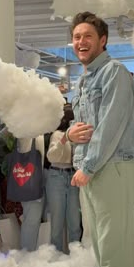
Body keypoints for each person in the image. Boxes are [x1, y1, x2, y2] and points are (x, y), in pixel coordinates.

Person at [67, 12, 134, 267]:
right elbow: (82, 129)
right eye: (76, 37)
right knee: (101, 249)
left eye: (87, 36)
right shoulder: (83, 81)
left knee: (113, 251)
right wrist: (70, 136)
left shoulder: (115, 72)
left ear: (103, 40)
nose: (80, 42)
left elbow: (110, 126)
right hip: (92, 170)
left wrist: (88, 166)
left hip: (111, 168)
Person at [46, 104, 82, 252]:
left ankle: (75, 257)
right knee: (57, 221)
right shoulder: (57, 135)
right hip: (56, 175)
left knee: (74, 220)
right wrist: (64, 139)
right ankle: (56, 256)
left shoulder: (79, 136)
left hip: (73, 175)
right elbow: (51, 156)